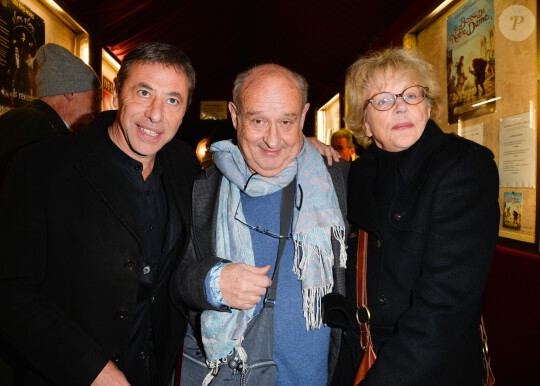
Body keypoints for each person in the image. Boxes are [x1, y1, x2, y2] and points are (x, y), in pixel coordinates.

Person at [0, 42, 200, 386]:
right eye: (144, 93)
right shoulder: (42, 166)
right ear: (115, 97)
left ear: (184, 112)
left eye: (172, 100)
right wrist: (91, 369)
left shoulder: (183, 164)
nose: (156, 114)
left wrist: (305, 150)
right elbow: (6, 292)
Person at [175, 63, 350, 385]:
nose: (273, 139)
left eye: (287, 121)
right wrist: (213, 282)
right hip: (232, 374)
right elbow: (176, 275)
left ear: (304, 114)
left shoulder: (338, 181)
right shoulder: (203, 189)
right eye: (257, 121)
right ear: (235, 115)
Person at [336, 47, 499, 385]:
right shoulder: (355, 175)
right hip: (362, 352)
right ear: (364, 123)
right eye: (383, 100)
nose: (400, 106)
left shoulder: (463, 166)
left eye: (411, 94)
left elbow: (444, 305)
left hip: (428, 364)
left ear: (428, 105)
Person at [0, 42, 101, 260]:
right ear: (70, 93)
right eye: (95, 97)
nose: (96, 108)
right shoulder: (40, 129)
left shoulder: (21, 120)